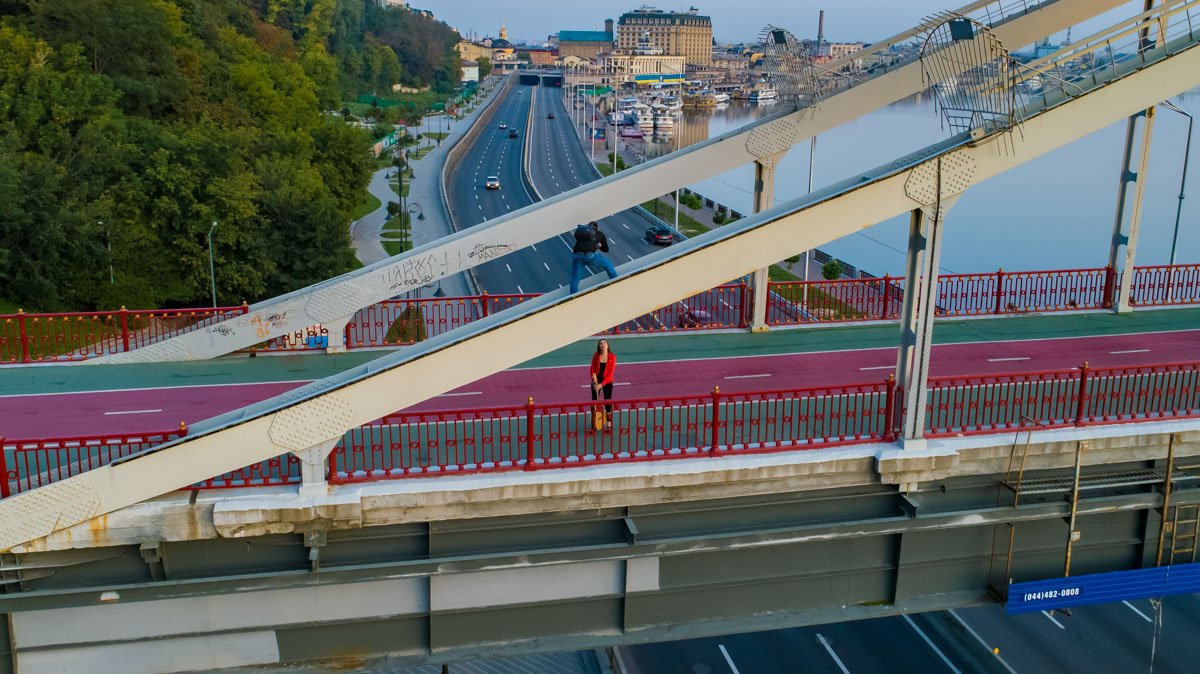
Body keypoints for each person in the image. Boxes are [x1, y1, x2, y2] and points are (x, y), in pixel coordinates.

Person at [570, 221, 618, 293]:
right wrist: (599, 246)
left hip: (576, 255)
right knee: (607, 264)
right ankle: (616, 281)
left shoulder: (583, 234)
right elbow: (606, 249)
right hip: (589, 256)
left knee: (575, 278)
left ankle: (572, 295)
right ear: (597, 228)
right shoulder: (600, 234)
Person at [590, 338, 616, 432]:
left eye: (604, 343)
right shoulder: (596, 355)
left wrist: (601, 385)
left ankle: (609, 425)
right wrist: (594, 381)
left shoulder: (612, 357)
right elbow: (592, 369)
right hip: (596, 381)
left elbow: (610, 375)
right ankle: (593, 425)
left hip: (607, 382)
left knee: (607, 402)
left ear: (607, 346)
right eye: (601, 343)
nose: (602, 344)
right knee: (594, 403)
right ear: (599, 346)